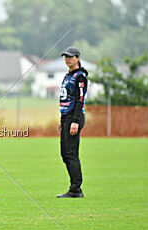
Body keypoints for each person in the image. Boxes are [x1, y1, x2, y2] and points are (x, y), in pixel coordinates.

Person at [57, 47, 88, 198]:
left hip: (74, 117)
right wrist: (61, 120)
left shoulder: (80, 77)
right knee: (65, 154)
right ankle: (74, 187)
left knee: (71, 153)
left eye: (70, 57)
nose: (67, 59)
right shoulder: (67, 76)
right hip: (66, 117)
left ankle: (76, 188)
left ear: (77, 58)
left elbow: (80, 100)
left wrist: (75, 121)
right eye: (66, 57)